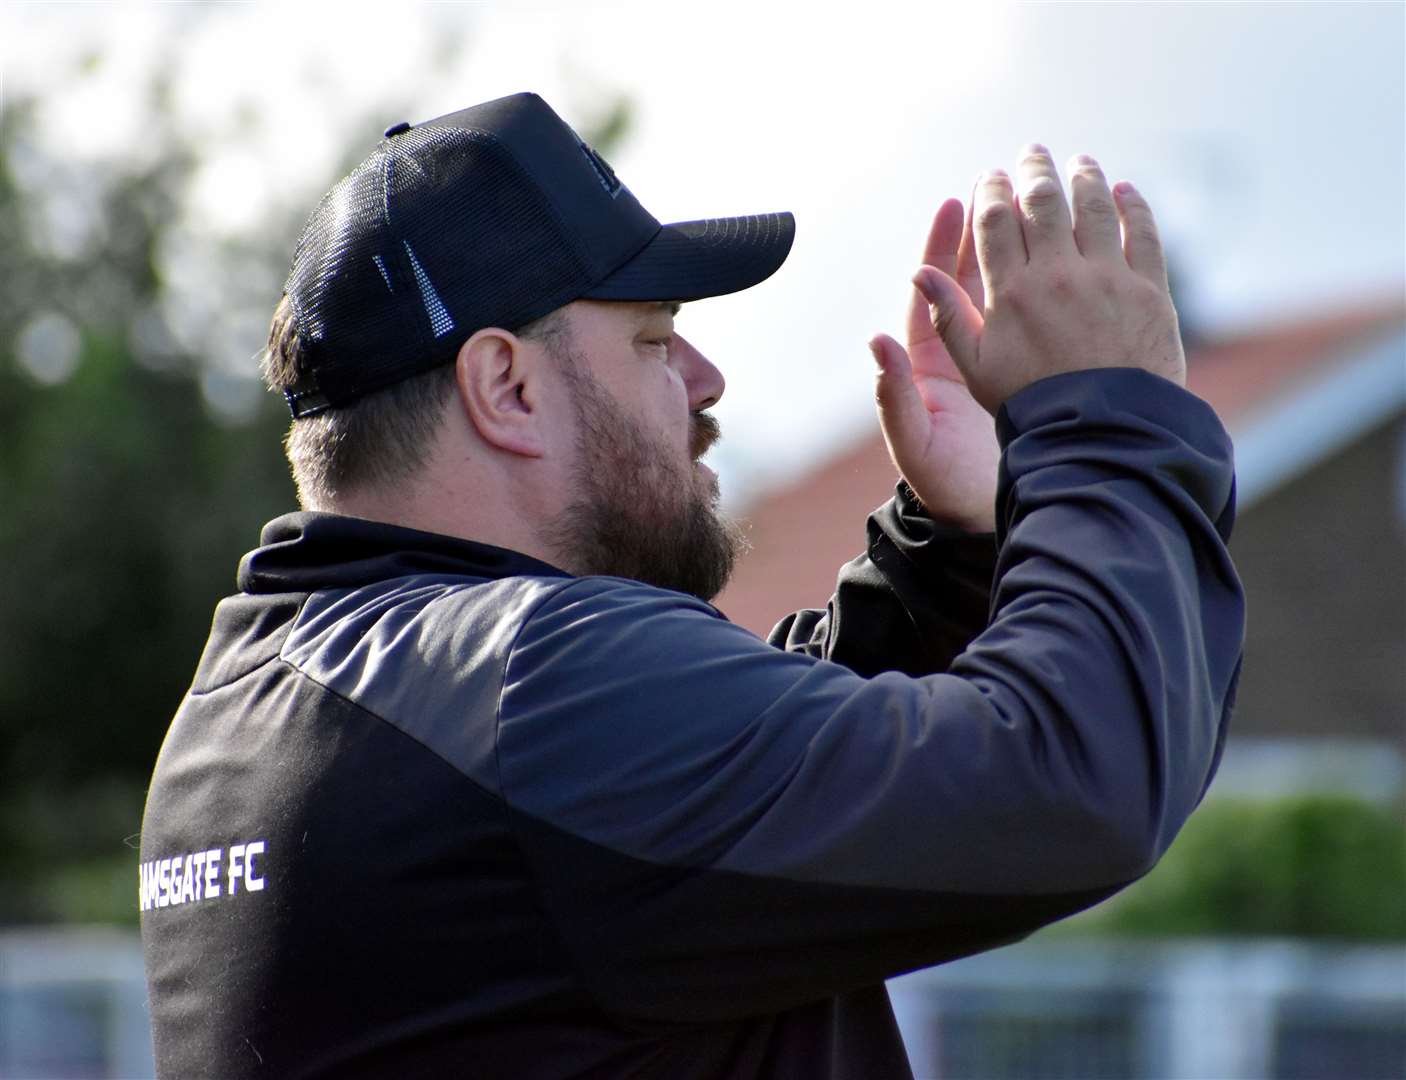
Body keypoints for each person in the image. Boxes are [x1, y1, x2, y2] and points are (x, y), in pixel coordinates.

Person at [138, 92, 1244, 1079]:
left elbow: (697, 801)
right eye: (655, 342)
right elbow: (1071, 782)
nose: (707, 382)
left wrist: (946, 547)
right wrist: (1108, 413)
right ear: (505, 386)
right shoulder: (526, 686)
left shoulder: (242, 719)